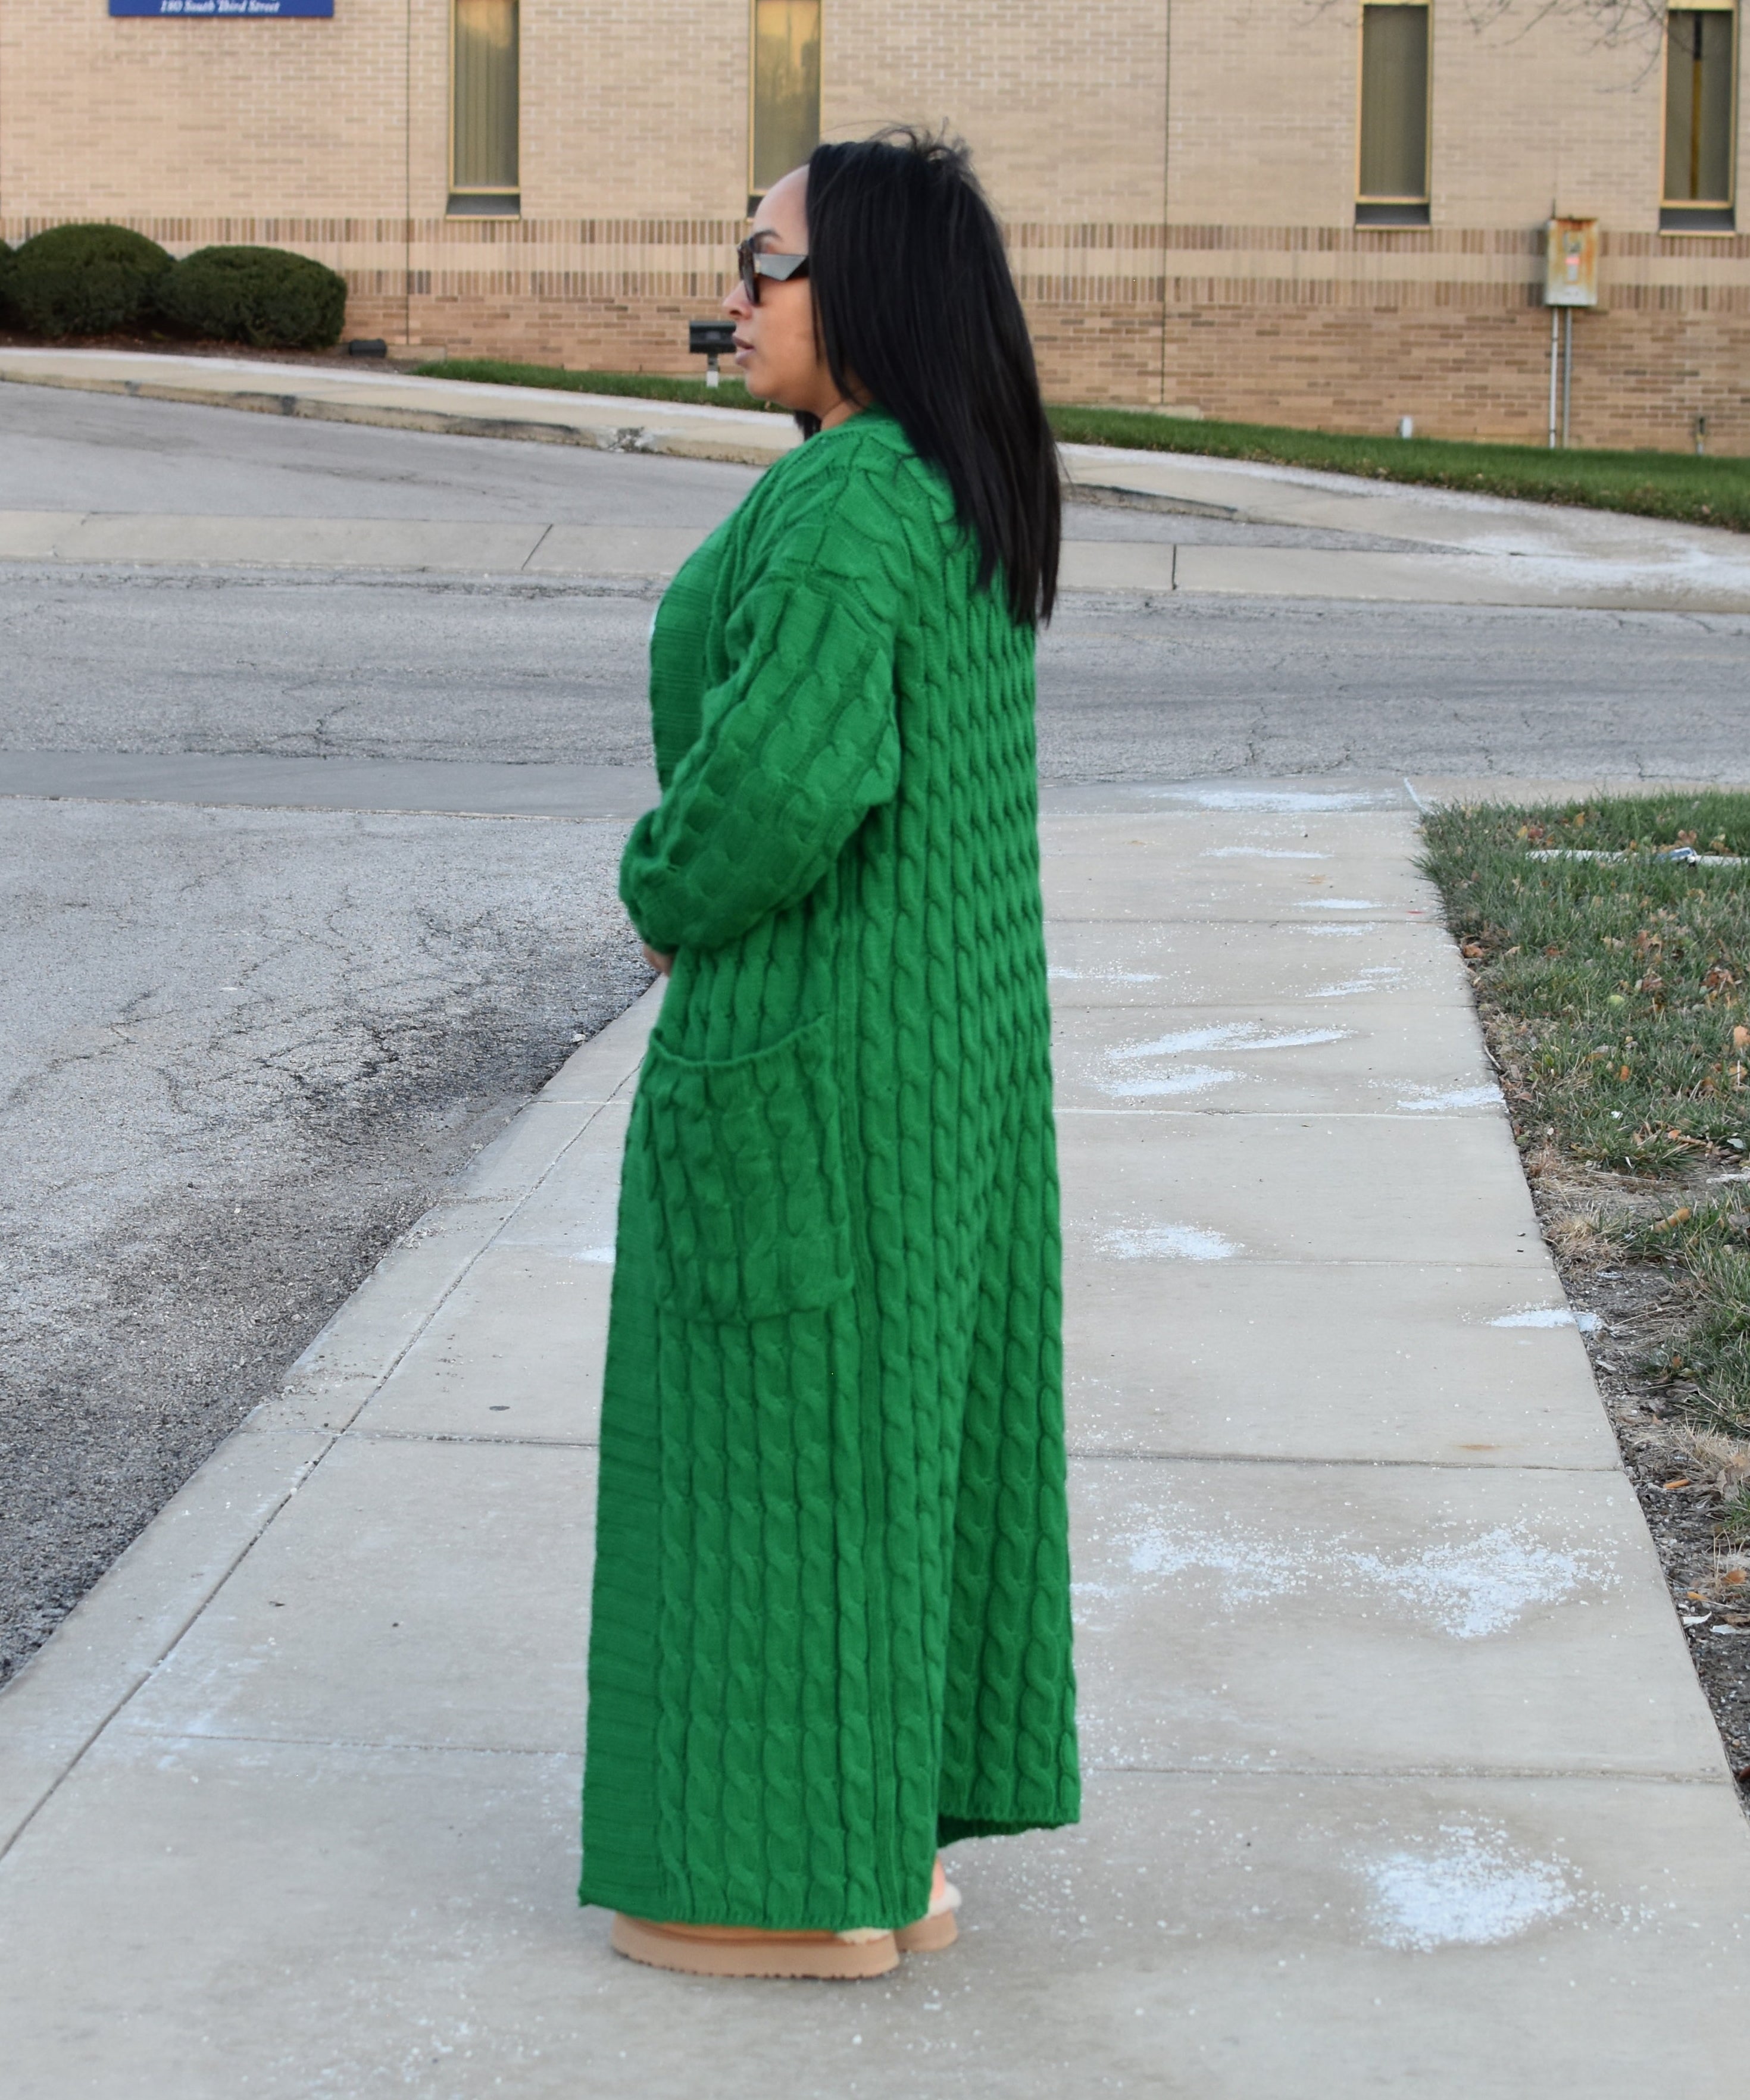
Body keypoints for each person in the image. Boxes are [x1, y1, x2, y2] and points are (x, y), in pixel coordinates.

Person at [580, 128, 1079, 1980]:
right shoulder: (949, 483)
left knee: (771, 1470)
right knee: (898, 1454)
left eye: (764, 260)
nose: (737, 285)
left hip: (814, 1066)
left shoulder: (854, 496)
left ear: (861, 283)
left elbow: (780, 783)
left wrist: (661, 887)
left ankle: (776, 1884)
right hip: (931, 1068)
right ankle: (891, 1857)